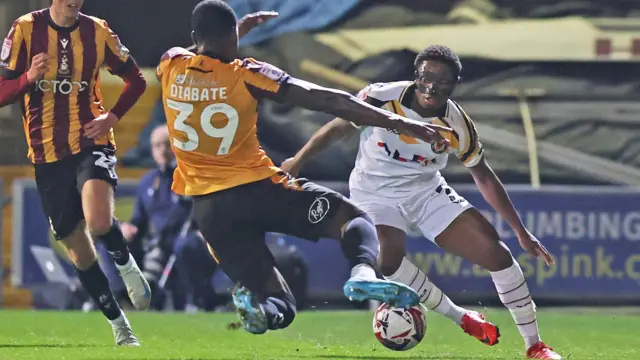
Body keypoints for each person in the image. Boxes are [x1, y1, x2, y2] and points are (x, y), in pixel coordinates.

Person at [157, 0, 452, 335]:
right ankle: (362, 274)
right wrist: (404, 123)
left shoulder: (170, 64)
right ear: (231, 38)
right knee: (354, 220)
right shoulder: (248, 74)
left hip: (208, 212)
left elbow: (202, 49)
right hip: (257, 190)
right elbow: (328, 100)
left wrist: (232, 33)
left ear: (197, 35)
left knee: (281, 303)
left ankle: (263, 311)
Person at [281, 45, 562, 359]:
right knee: (388, 258)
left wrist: (520, 231)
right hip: (374, 192)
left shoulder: (458, 124)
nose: (431, 86)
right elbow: (337, 128)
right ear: (416, 76)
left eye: (441, 81)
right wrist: (298, 159)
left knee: (498, 255)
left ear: (454, 84)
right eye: (425, 77)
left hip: (426, 193)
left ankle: (535, 346)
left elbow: (483, 176)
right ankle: (461, 316)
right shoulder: (381, 96)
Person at [0, 0, 150, 346]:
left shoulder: (97, 31)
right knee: (80, 252)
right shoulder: (25, 29)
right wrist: (28, 77)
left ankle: (126, 265)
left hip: (90, 140)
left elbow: (136, 81)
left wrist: (110, 119)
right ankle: (120, 326)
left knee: (99, 221)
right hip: (46, 155)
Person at [118, 125, 218, 312]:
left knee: (185, 245)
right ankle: (119, 296)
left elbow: (209, 211)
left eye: (167, 144)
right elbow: (138, 219)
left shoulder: (191, 177)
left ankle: (196, 301)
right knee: (112, 239)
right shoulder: (147, 182)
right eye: (157, 146)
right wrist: (128, 228)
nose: (163, 150)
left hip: (190, 240)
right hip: (156, 244)